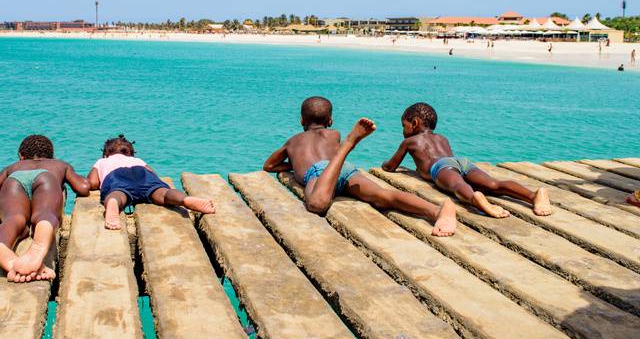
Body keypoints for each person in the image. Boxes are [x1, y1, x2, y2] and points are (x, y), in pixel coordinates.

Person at [263, 97, 456, 236]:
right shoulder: (333, 134)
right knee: (383, 196)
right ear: (330, 121)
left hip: (320, 173)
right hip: (343, 168)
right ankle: (437, 210)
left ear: (301, 121)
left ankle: (350, 144)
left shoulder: (293, 141)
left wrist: (295, 164)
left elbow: (269, 165)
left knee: (316, 204)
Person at [382, 102, 552, 218]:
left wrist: (385, 164)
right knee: (493, 184)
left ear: (414, 123)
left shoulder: (409, 142)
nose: (403, 131)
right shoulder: (442, 138)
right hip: (460, 162)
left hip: (441, 168)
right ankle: (533, 195)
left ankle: (475, 198)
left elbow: (391, 166)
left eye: (403, 126)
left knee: (458, 186)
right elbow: (451, 162)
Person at [0, 135, 90, 282]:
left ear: (21, 156)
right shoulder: (59, 164)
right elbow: (83, 187)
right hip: (46, 178)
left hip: (15, 180)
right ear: (51, 156)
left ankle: (1, 245)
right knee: (44, 213)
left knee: (14, 219)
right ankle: (39, 244)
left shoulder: (12, 167)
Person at [88, 134, 215, 230]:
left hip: (116, 176)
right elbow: (153, 174)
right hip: (142, 174)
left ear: (105, 154)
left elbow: (93, 182)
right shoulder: (137, 160)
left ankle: (113, 203)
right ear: (131, 154)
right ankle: (185, 200)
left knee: (118, 194)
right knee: (163, 193)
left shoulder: (102, 161)